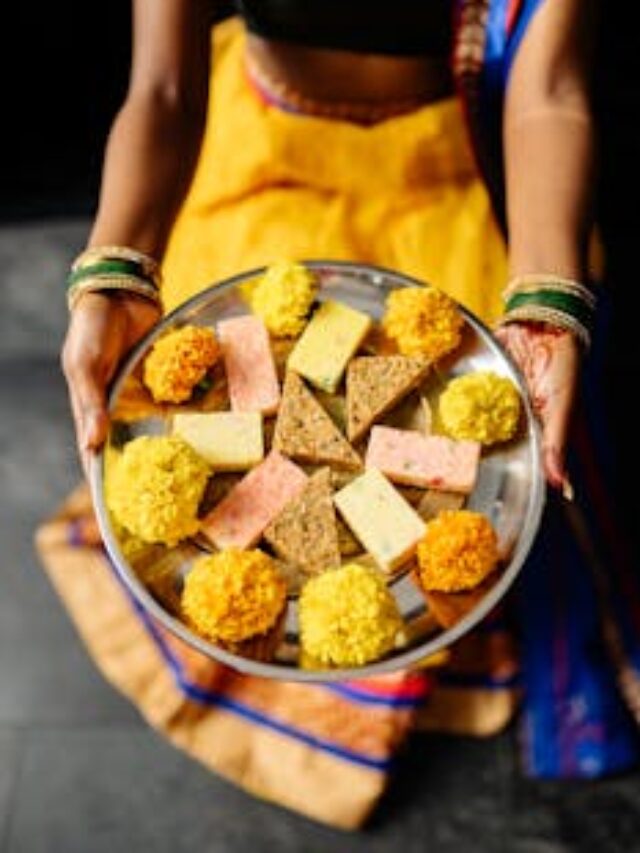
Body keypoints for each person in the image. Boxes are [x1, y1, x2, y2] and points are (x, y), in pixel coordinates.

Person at [35, 0, 640, 829]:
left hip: (461, 162)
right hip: (264, 158)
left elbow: (548, 94)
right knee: (240, 465)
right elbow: (164, 91)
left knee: (449, 473)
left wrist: (546, 298)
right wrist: (114, 271)